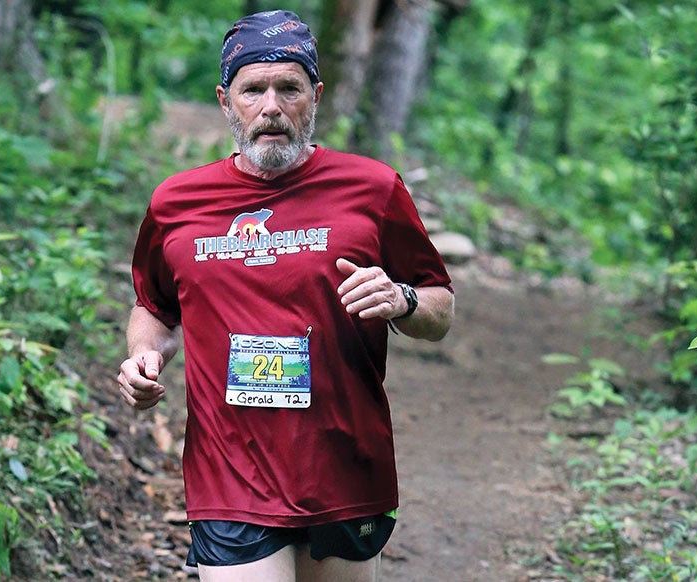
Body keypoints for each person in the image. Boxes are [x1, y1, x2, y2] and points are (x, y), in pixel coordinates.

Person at [115, 9, 455, 581]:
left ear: (315, 95)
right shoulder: (176, 202)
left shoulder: (372, 188)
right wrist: (145, 356)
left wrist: (402, 299)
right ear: (226, 100)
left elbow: (439, 307)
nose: (271, 106)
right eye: (253, 89)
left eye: (289, 88)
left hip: (346, 468)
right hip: (230, 475)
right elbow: (155, 306)